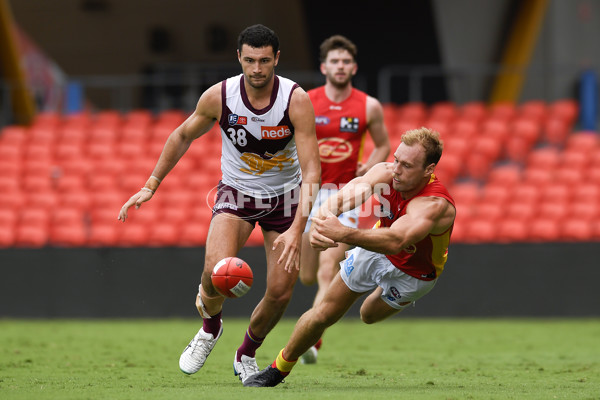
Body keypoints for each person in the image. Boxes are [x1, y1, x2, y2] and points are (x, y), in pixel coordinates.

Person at [117, 24, 320, 385]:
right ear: (238, 58)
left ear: (276, 58)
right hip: (237, 193)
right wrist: (151, 185)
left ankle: (246, 354)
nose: (256, 69)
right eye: (249, 60)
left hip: (286, 200)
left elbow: (313, 170)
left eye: (263, 61)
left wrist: (295, 230)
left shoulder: (295, 100)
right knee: (215, 271)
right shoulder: (220, 96)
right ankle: (210, 328)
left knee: (280, 292)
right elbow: (182, 135)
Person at [243, 127, 456, 387]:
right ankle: (278, 368)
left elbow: (396, 241)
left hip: (415, 274)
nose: (397, 169)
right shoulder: (385, 173)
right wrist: (322, 221)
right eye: (396, 159)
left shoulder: (434, 205)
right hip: (374, 251)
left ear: (428, 169)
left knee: (368, 314)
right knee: (324, 313)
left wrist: (341, 233)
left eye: (407, 165)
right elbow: (344, 197)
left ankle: (383, 294)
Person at [298, 35, 390, 364]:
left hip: (345, 194)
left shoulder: (368, 106)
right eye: (334, 61)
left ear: (354, 66)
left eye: (345, 61)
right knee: (306, 274)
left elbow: (383, 144)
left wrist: (370, 167)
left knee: (327, 270)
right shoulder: (306, 101)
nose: (340, 66)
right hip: (308, 192)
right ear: (324, 67)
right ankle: (313, 319)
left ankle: (311, 339)